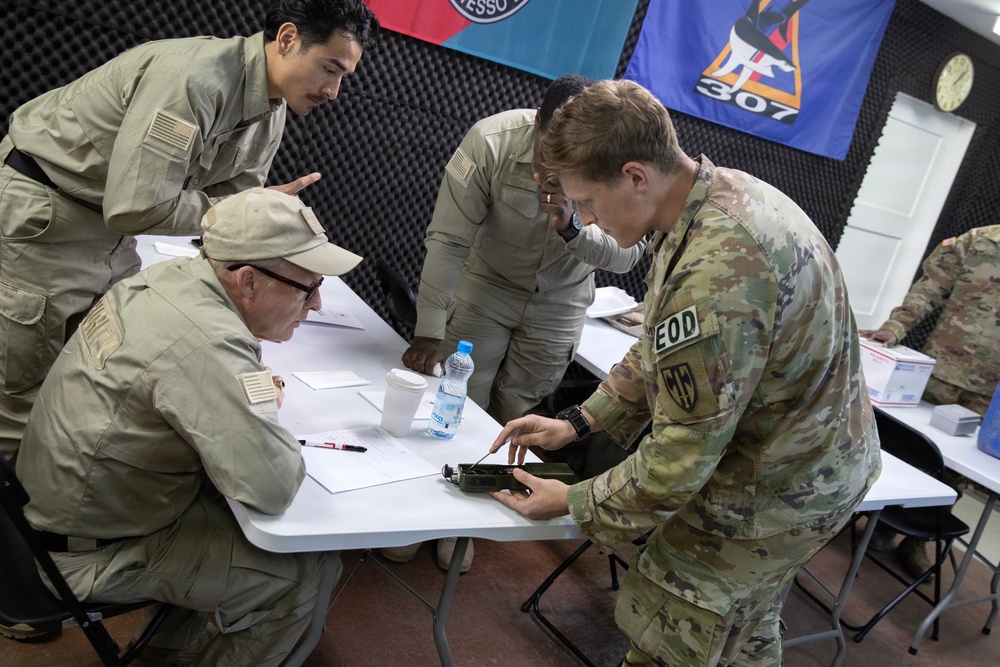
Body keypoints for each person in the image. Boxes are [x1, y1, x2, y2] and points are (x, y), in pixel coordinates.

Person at [488, 80, 881, 666]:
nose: (587, 220)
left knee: (677, 611)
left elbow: (678, 460)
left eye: (589, 202)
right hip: (810, 464)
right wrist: (578, 421)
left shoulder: (719, 268)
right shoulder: (708, 201)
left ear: (635, 177)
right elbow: (659, 348)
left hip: (780, 485)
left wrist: (573, 501)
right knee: (742, 627)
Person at [0, 0, 380, 467]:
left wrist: (235, 359)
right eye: (330, 68)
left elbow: (233, 233)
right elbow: (139, 206)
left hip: (110, 233)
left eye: (345, 77)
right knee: (21, 396)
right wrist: (238, 211)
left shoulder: (271, 109)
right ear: (286, 40)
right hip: (46, 222)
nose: (335, 91)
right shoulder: (194, 80)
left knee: (89, 372)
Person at [14, 187, 363, 665]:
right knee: (304, 572)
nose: (318, 303)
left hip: (52, 514)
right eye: (308, 287)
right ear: (247, 281)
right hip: (86, 553)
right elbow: (272, 486)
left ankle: (162, 653)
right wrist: (258, 405)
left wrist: (244, 394)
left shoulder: (168, 279)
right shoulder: (209, 346)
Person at [389, 75, 645, 573]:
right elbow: (448, 240)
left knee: (516, 416)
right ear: (539, 122)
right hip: (487, 288)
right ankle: (417, 517)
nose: (552, 165)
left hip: (560, 303)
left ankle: (461, 525)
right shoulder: (490, 142)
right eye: (548, 147)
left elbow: (625, 257)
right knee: (456, 403)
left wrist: (572, 228)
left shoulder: (611, 161)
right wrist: (429, 328)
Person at [861, 225, 1000, 579]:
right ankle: (882, 523)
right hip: (940, 375)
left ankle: (917, 540)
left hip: (990, 393)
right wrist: (894, 327)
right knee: (910, 450)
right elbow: (928, 290)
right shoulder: (977, 242)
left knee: (957, 474)